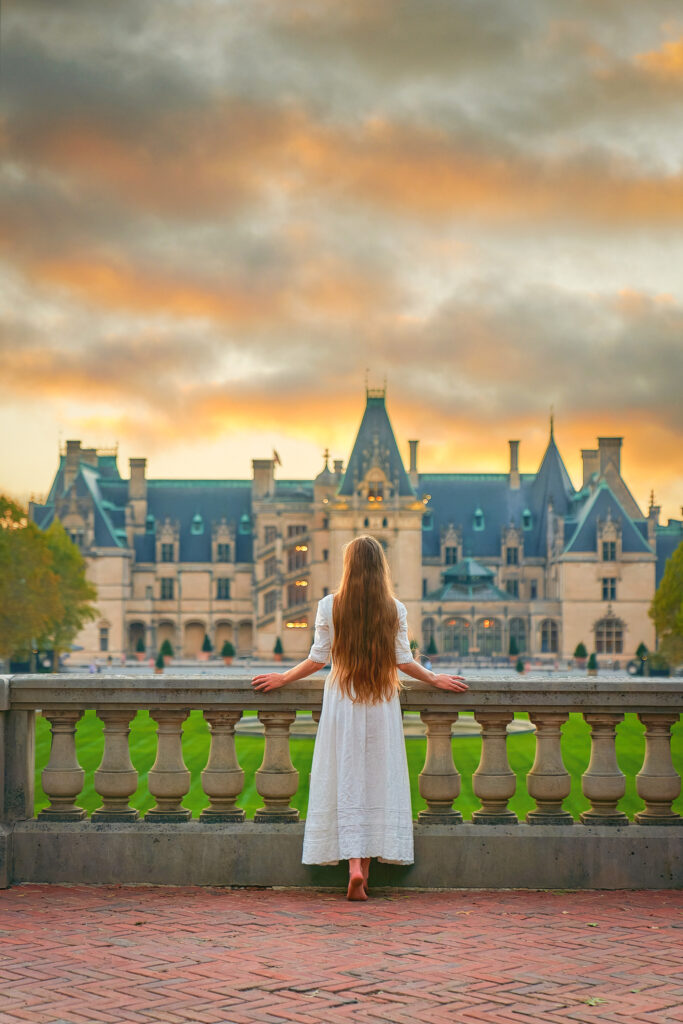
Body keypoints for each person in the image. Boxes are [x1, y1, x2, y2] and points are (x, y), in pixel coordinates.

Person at [252, 535, 468, 901]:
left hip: (342, 699)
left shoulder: (329, 605)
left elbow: (318, 658)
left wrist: (282, 678)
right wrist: (435, 678)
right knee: (377, 779)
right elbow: (403, 660)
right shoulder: (394, 608)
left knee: (346, 776)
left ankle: (353, 865)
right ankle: (364, 873)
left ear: (348, 565)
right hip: (381, 701)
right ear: (380, 566)